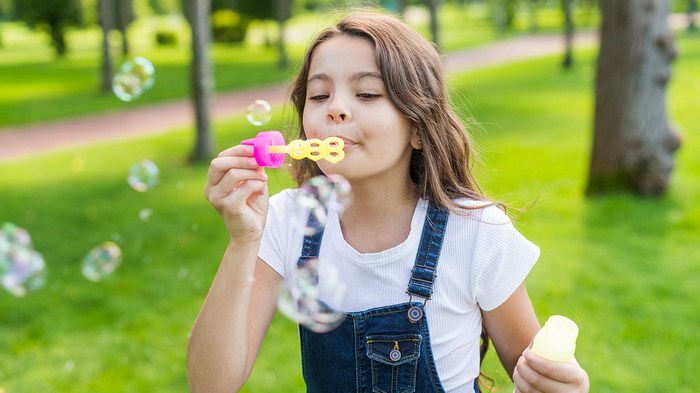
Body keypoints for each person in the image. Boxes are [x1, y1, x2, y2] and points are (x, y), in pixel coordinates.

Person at [188, 11, 589, 393]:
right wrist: (243, 241)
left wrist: (560, 383)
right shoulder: (285, 219)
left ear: (418, 126)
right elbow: (211, 385)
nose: (336, 109)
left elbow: (533, 372)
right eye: (319, 94)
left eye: (366, 93)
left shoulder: (475, 233)